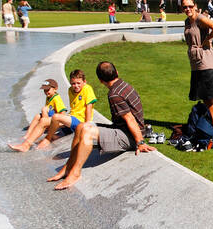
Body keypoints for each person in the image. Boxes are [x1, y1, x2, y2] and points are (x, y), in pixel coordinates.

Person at [48, 61, 154, 190]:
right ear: (117, 73)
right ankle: (68, 166)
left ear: (100, 80)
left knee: (86, 132)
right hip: (123, 130)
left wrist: (140, 142)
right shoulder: (124, 85)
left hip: (130, 137)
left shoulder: (114, 94)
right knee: (82, 126)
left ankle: (75, 174)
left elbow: (130, 118)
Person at [180, 0, 213, 131]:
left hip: (206, 61)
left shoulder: (199, 18)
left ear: (195, 6)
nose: (188, 9)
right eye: (185, 7)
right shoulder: (187, 21)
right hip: (196, 63)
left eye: (190, 6)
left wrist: (207, 40)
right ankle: (210, 122)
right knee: (205, 97)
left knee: (209, 97)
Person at [9, 78, 70, 151]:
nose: (46, 92)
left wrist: (50, 122)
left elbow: (62, 113)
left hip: (56, 119)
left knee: (44, 109)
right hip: (51, 116)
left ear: (55, 89)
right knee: (37, 116)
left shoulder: (56, 99)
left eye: (48, 90)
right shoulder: (49, 97)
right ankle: (27, 135)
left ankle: (45, 126)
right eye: (45, 90)